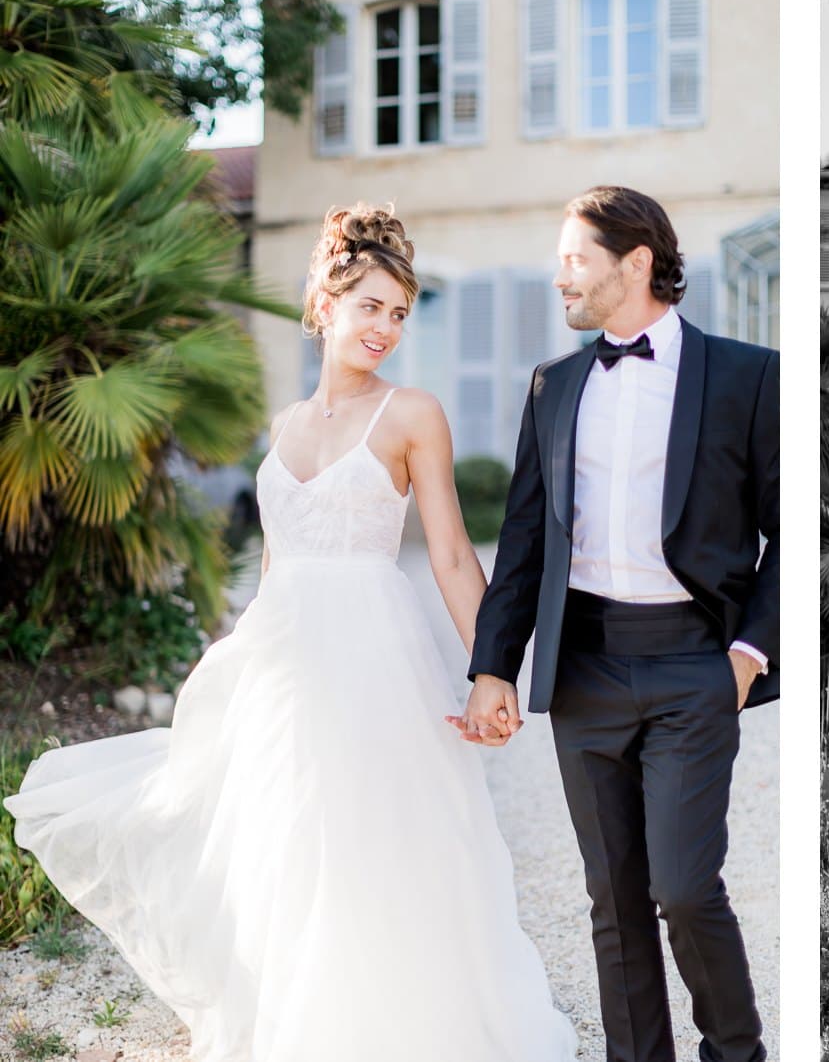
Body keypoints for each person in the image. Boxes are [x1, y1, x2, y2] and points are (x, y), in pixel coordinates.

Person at [4, 204, 577, 1061]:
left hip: (375, 657)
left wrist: (493, 671)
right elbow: (275, 570)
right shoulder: (282, 431)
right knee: (287, 839)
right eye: (370, 307)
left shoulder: (413, 414)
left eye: (398, 313)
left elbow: (454, 557)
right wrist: (231, 669)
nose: (385, 328)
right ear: (324, 302)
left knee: (378, 835)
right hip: (282, 665)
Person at [452, 186, 778, 1062]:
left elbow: (791, 531)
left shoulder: (749, 376)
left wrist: (745, 656)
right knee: (614, 897)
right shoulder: (553, 385)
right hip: (587, 664)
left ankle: (736, 1054)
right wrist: (493, 666)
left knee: (683, 885)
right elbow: (524, 537)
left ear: (634, 264)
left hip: (692, 665)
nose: (558, 276)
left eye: (574, 260)